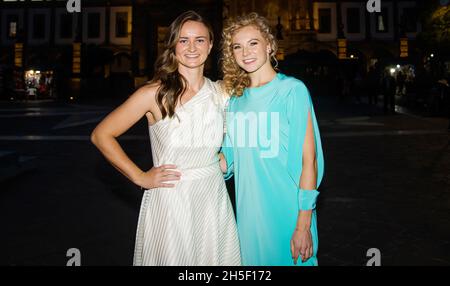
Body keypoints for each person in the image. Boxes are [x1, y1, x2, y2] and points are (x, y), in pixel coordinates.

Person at [91, 11, 241, 266]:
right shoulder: (153, 94)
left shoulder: (222, 92)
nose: (192, 47)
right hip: (171, 200)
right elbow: (101, 135)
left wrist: (229, 158)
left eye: (200, 40)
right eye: (183, 40)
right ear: (173, 45)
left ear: (211, 44)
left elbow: (250, 130)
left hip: (212, 197)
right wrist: (140, 177)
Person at [219, 13, 324, 266]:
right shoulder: (235, 100)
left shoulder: (292, 90)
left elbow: (309, 161)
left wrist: (303, 225)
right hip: (248, 215)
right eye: (237, 46)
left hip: (288, 210)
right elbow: (226, 162)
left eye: (253, 43)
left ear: (269, 45)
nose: (245, 52)